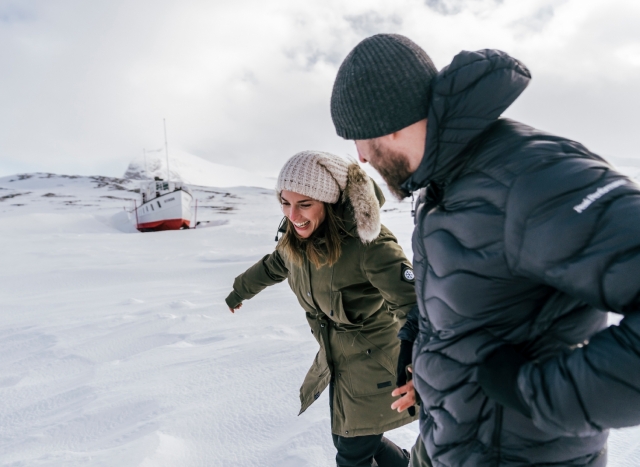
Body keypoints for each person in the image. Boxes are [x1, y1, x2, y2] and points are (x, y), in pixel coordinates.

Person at [330, 33, 640, 467]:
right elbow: (475, 284)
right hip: (455, 446)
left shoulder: (532, 177)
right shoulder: (441, 185)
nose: (361, 158)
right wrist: (417, 338)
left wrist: (538, 394)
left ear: (391, 121)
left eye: (358, 138)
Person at [225, 150, 420, 467]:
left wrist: (417, 368)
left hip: (381, 365)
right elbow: (277, 264)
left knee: (351, 455)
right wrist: (239, 291)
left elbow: (414, 307)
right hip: (340, 363)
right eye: (285, 203)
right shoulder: (298, 238)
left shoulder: (368, 244)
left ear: (329, 201)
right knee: (354, 440)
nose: (292, 214)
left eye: (304, 203)